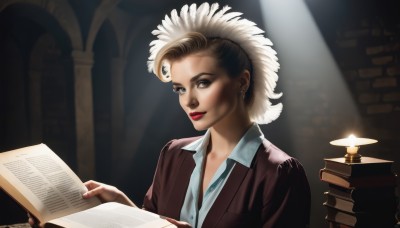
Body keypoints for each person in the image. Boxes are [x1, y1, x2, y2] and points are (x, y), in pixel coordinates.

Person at [29, 2, 311, 228]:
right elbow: (153, 224)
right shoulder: (174, 154)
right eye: (179, 88)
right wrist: (119, 205)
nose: (189, 100)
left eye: (203, 82)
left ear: (243, 81)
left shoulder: (279, 173)